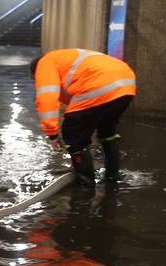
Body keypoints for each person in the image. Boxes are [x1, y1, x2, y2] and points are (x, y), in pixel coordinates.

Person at [29, 49, 136, 186]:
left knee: (73, 133)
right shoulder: (66, 58)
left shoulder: (45, 64)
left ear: (35, 72)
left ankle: (85, 183)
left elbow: (47, 98)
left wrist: (52, 134)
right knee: (107, 131)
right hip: (126, 85)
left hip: (98, 84)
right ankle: (112, 177)